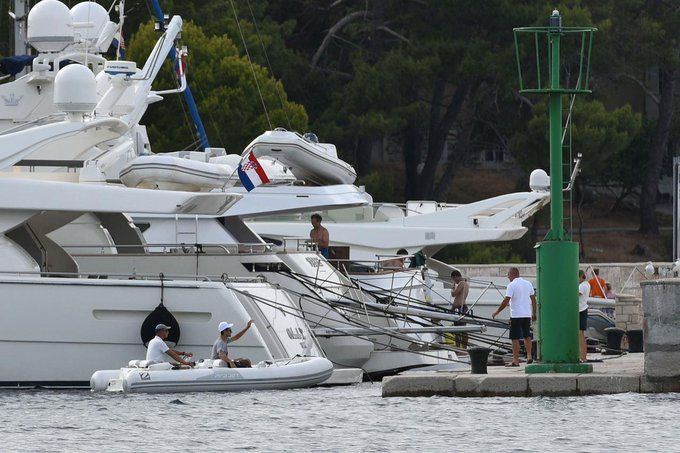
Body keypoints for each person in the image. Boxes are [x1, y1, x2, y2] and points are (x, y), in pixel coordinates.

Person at [492, 268, 536, 367]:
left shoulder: (511, 285)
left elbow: (506, 300)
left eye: (508, 275)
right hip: (527, 314)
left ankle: (515, 360)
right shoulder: (528, 284)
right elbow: (533, 299)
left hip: (516, 315)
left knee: (514, 337)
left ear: (512, 274)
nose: (507, 277)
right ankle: (529, 356)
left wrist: (497, 311)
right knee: (527, 335)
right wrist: (534, 313)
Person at [450, 270, 470, 349]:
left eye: (454, 279)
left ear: (455, 276)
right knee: (458, 330)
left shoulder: (462, 283)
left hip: (461, 309)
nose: (454, 281)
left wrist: (452, 287)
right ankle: (459, 347)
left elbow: (454, 294)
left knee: (461, 330)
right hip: (458, 308)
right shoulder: (465, 283)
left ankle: (462, 348)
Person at [578, 270, 591, 363]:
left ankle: (583, 356)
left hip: (581, 310)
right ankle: (583, 356)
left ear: (582, 276)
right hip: (583, 309)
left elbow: (574, 295)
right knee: (581, 334)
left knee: (580, 334)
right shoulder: (587, 284)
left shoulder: (582, 286)